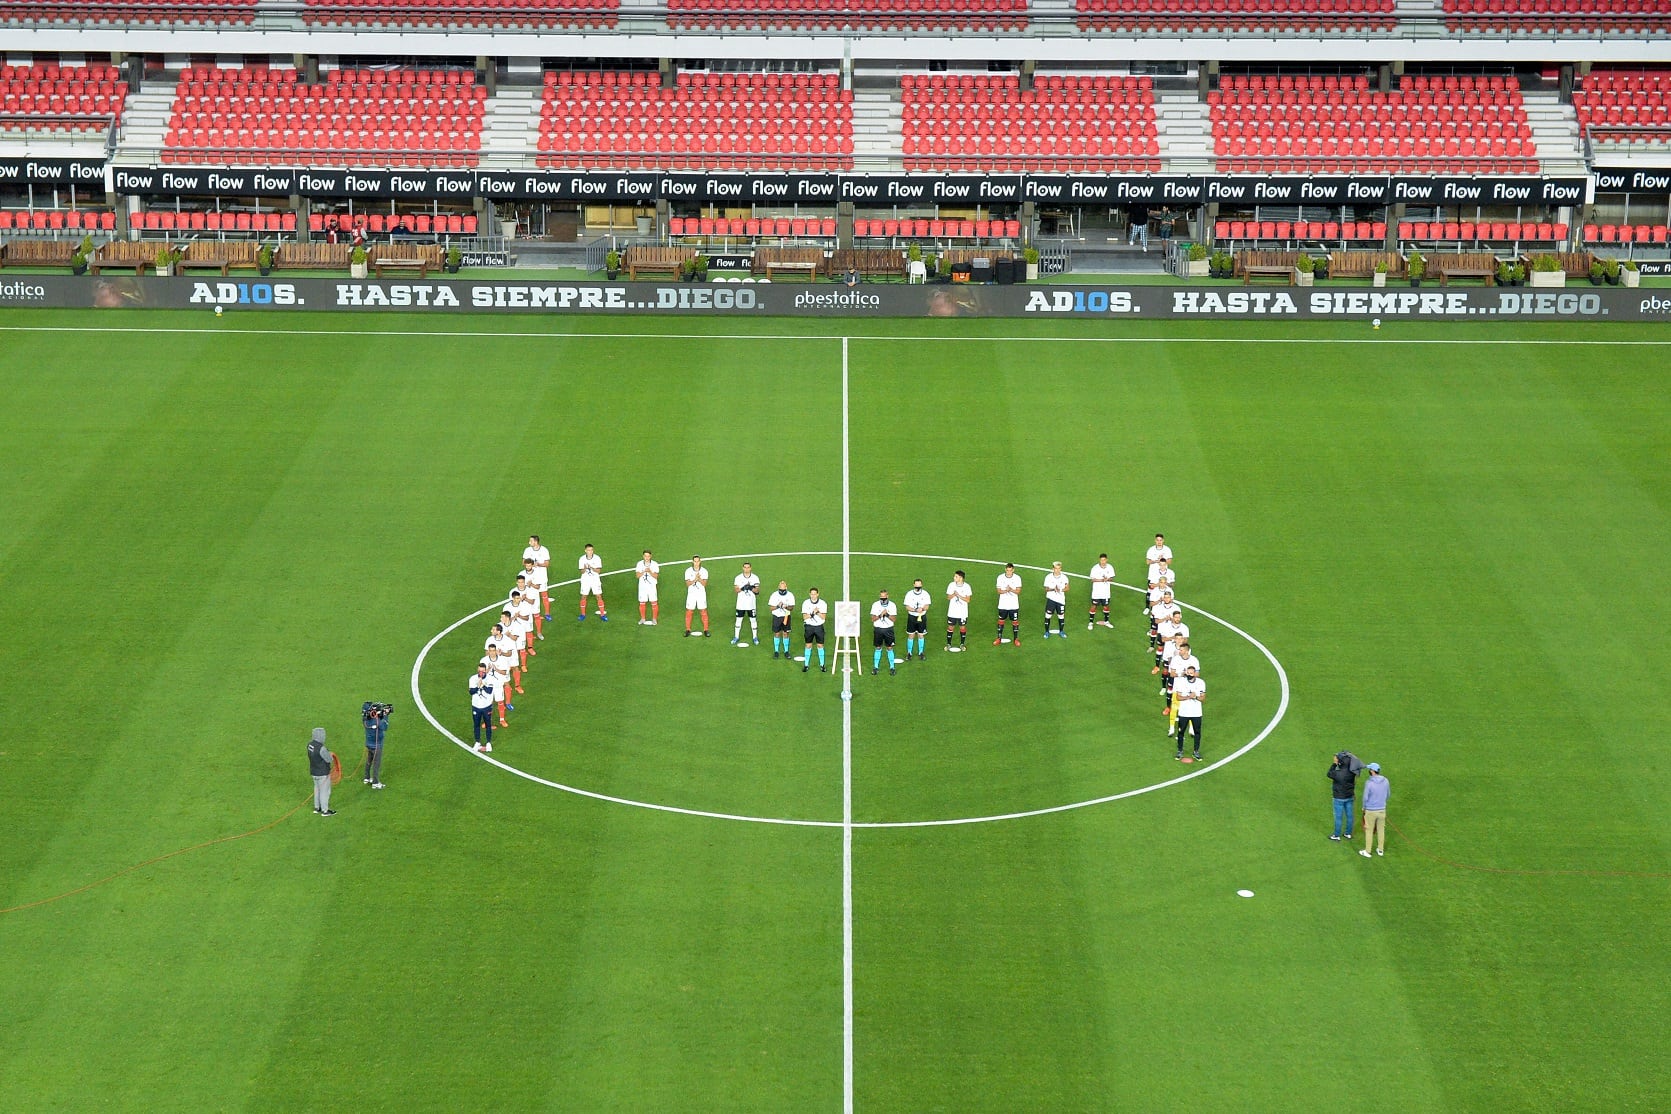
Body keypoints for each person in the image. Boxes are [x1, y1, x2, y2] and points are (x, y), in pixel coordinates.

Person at [1173, 664, 1204, 761]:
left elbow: (1203, 698)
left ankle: (1196, 751)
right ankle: (1179, 751)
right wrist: (1188, 697)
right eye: (1188, 673)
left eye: (1191, 673)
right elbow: (1178, 697)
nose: (1189, 674)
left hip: (1196, 713)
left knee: (1197, 732)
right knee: (1181, 732)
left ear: (1195, 673)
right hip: (1184, 712)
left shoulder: (1201, 683)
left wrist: (1195, 697)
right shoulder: (1181, 683)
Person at [1360, 764, 1389, 857]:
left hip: (1371, 811)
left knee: (1369, 830)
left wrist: (1364, 807)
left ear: (1372, 771)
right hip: (1382, 810)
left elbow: (1365, 797)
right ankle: (1380, 850)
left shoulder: (1369, 783)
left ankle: (1367, 851)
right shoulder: (1386, 781)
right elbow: (1388, 794)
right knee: (1381, 830)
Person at [1328, 752, 1359, 841]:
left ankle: (1336, 835)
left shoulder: (1337, 773)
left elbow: (1329, 774)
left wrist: (1334, 764)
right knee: (1349, 815)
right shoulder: (1352, 773)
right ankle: (1348, 833)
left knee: (1338, 817)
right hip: (1349, 797)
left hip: (1338, 798)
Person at [481, 643, 513, 728]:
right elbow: (481, 674)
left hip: (498, 685)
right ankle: (487, 722)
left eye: (493, 650)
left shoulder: (502, 660)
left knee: (500, 702)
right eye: (490, 651)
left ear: (496, 651)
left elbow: (505, 672)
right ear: (488, 651)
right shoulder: (483, 660)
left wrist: (496, 669)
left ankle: (502, 720)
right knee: (488, 704)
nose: (491, 652)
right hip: (488, 686)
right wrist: (487, 670)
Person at [308, 727, 336, 816]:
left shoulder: (310, 745)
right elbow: (329, 759)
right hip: (323, 773)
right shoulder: (322, 748)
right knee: (325, 791)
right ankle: (325, 810)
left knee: (317, 790)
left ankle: (317, 807)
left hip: (314, 771)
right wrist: (330, 754)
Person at [523, 534, 552, 619]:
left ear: (536, 542)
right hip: (530, 577)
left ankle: (547, 614)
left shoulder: (544, 550)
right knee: (530, 596)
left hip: (542, 577)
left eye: (531, 541)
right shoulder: (527, 550)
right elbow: (523, 562)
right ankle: (532, 613)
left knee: (544, 595)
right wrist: (531, 564)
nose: (529, 542)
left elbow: (547, 564)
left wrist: (539, 564)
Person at [469, 662, 497, 752]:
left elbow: (489, 691)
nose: (480, 673)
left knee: (488, 724)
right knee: (476, 725)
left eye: (482, 671)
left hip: (486, 706)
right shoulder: (473, 678)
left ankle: (488, 743)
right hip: (476, 706)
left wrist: (483, 685)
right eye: (479, 671)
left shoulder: (490, 679)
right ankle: (477, 742)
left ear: (485, 671)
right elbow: (471, 691)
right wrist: (478, 686)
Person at [902, 577, 932, 661]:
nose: (918, 587)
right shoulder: (909, 594)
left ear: (921, 585)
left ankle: (921, 652)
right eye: (916, 585)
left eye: (919, 585)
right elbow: (907, 607)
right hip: (912, 617)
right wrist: (915, 610)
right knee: (911, 634)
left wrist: (921, 609)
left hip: (921, 617)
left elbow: (927, 606)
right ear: (913, 585)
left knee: (921, 634)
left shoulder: (925, 594)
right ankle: (909, 652)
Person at [732, 561, 761, 645]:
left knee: (753, 620)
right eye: (745, 567)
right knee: (738, 620)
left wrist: (751, 588)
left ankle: (755, 637)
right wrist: (743, 588)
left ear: (750, 568)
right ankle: (736, 636)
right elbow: (736, 590)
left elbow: (757, 591)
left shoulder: (755, 578)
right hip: (741, 604)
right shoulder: (738, 578)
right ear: (743, 568)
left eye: (748, 567)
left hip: (751, 604)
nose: (746, 569)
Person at [870, 588, 898, 675]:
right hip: (878, 629)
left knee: (889, 648)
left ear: (887, 596)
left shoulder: (892, 605)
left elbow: (893, 619)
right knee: (878, 647)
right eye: (881, 597)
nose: (883, 599)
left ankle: (892, 667)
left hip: (888, 629)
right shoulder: (875, 605)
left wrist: (887, 614)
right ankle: (875, 667)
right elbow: (873, 619)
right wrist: (880, 615)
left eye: (884, 597)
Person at [994, 562, 1023, 646]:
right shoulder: (1000, 577)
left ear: (1013, 570)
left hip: (1013, 605)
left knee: (1015, 622)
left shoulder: (1017, 578)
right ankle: (999, 638)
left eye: (1010, 571)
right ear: (1005, 570)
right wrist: (1006, 591)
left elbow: (1018, 591)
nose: (1008, 572)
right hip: (1003, 604)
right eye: (1007, 570)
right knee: (1001, 621)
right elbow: (998, 591)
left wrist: (1010, 589)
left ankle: (1016, 639)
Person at [361, 702, 389, 789]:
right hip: (377, 746)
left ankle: (367, 778)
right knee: (376, 764)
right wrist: (385, 716)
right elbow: (385, 727)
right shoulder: (377, 721)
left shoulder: (365, 720)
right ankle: (375, 783)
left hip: (369, 744)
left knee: (369, 761)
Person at [577, 543, 608, 621]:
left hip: (595, 580)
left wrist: (592, 568)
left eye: (591, 550)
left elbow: (599, 571)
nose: (590, 552)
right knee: (584, 596)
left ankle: (602, 614)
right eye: (588, 550)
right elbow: (582, 571)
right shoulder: (581, 559)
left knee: (598, 596)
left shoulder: (597, 558)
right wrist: (584, 568)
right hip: (585, 580)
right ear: (585, 551)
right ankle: (583, 614)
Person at [801, 587, 828, 672]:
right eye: (811, 594)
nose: (813, 596)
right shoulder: (805, 603)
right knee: (808, 645)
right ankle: (806, 665)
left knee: (820, 645)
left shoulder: (823, 603)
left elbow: (823, 617)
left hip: (819, 627)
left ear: (817, 594)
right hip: (809, 627)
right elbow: (804, 617)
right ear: (810, 594)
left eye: (814, 594)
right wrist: (813, 613)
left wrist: (818, 612)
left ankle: (822, 665)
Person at [945, 569, 972, 651]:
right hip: (952, 612)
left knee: (962, 627)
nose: (954, 578)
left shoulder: (967, 586)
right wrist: (954, 594)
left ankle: (962, 644)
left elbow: (968, 600)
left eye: (956, 576)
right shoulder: (951, 585)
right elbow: (948, 597)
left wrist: (959, 595)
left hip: (962, 613)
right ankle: (949, 644)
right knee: (950, 627)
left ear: (961, 578)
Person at [768, 580, 796, 658]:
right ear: (778, 588)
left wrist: (786, 606)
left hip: (786, 616)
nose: (782, 591)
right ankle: (776, 651)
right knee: (777, 633)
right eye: (781, 589)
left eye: (784, 590)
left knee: (785, 633)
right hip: (777, 616)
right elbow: (771, 608)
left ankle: (786, 651)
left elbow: (791, 608)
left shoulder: (790, 595)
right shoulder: (774, 595)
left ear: (786, 588)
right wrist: (778, 606)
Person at [684, 555, 710, 637]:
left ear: (700, 562)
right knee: (689, 611)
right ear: (692, 562)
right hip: (691, 594)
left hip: (701, 594)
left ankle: (706, 630)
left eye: (697, 561)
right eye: (695, 561)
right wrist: (695, 579)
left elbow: (704, 584)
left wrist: (699, 579)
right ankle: (687, 629)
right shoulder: (688, 571)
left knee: (703, 611)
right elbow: (688, 584)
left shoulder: (704, 571)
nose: (696, 563)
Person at [1042, 560, 1070, 639]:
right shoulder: (1048, 577)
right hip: (1051, 600)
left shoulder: (1064, 577)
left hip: (1061, 600)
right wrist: (1053, 589)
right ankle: (1047, 632)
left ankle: (1061, 631)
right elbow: (1046, 589)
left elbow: (1067, 588)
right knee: (1048, 615)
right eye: (1055, 568)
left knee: (1061, 616)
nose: (1057, 570)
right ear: (1053, 569)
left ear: (1061, 569)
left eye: (1059, 568)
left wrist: (1060, 590)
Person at [516, 564, 544, 641]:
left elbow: (538, 587)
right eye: (526, 565)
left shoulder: (537, 573)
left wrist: (531, 584)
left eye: (529, 565)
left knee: (536, 615)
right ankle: (528, 634)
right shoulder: (521, 573)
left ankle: (539, 633)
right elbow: (519, 585)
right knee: (525, 616)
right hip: (524, 598)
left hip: (534, 596)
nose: (528, 567)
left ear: (532, 565)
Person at [1088, 553, 1116, 629]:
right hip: (1096, 593)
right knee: (1094, 606)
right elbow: (1092, 580)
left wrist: (1107, 579)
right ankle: (1090, 623)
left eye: (1104, 560)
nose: (1103, 561)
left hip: (1106, 592)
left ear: (1106, 560)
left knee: (1106, 606)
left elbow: (1112, 578)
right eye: (1101, 560)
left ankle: (1106, 621)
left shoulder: (1110, 567)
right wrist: (1102, 580)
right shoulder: (1095, 568)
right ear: (1099, 560)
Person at [635, 549, 660, 625]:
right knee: (642, 603)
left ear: (650, 556)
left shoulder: (655, 564)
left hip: (652, 587)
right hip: (643, 587)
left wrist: (650, 571)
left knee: (654, 602)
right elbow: (637, 576)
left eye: (648, 556)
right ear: (643, 556)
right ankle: (642, 618)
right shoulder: (639, 564)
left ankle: (654, 619)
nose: (647, 557)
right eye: (645, 556)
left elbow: (656, 576)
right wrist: (643, 571)